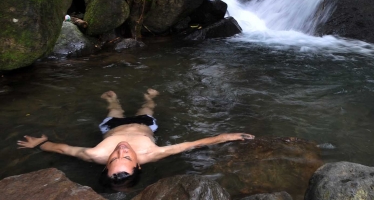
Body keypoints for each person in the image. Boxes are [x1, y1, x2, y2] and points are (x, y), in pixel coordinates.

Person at [17, 89, 254, 189]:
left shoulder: (94, 154)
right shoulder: (153, 153)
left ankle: (113, 101)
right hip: (144, 125)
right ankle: (149, 98)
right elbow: (192, 144)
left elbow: (62, 149)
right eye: (126, 156)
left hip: (111, 127)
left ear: (105, 165)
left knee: (114, 109)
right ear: (138, 163)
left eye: (115, 158)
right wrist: (226, 136)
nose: (121, 150)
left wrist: (39, 143)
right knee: (147, 106)